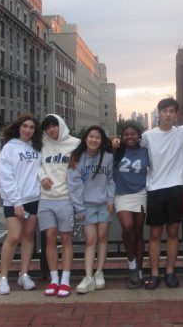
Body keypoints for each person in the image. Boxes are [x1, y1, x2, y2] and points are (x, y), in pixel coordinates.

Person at [141, 97, 183, 289]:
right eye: (165, 111)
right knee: (155, 234)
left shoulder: (182, 132)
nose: (168, 114)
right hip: (155, 188)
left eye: (172, 111)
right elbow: (132, 149)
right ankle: (154, 273)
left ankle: (170, 271)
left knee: (173, 232)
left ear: (176, 114)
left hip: (176, 187)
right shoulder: (148, 136)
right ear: (159, 113)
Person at [0, 113, 42, 295]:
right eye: (25, 126)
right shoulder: (9, 148)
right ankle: (3, 277)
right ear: (18, 127)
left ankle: (24, 274)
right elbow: (5, 176)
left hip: (33, 199)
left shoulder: (38, 147)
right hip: (13, 201)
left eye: (31, 127)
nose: (28, 130)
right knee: (14, 237)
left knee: (28, 237)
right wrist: (16, 201)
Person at [68, 126, 115, 294]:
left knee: (102, 238)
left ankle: (99, 272)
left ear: (102, 141)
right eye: (91, 137)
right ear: (85, 138)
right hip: (86, 205)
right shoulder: (77, 157)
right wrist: (78, 207)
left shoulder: (108, 157)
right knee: (90, 240)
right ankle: (88, 276)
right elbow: (74, 184)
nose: (94, 140)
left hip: (103, 204)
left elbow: (110, 179)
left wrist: (111, 199)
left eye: (98, 137)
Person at [37, 114, 80, 297]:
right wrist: (42, 177)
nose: (51, 130)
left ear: (61, 125)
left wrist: (114, 142)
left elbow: (94, 149)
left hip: (65, 198)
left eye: (54, 126)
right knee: (50, 238)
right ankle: (54, 279)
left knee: (66, 238)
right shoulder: (42, 143)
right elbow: (36, 164)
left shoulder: (75, 143)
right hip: (45, 199)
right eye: (47, 127)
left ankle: (65, 279)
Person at [113, 122, 149, 289]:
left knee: (138, 231)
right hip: (122, 195)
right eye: (126, 134)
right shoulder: (116, 151)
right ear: (121, 136)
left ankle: (139, 270)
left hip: (140, 193)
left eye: (133, 133)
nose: (129, 137)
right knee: (128, 227)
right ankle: (131, 265)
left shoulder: (145, 151)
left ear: (139, 135)